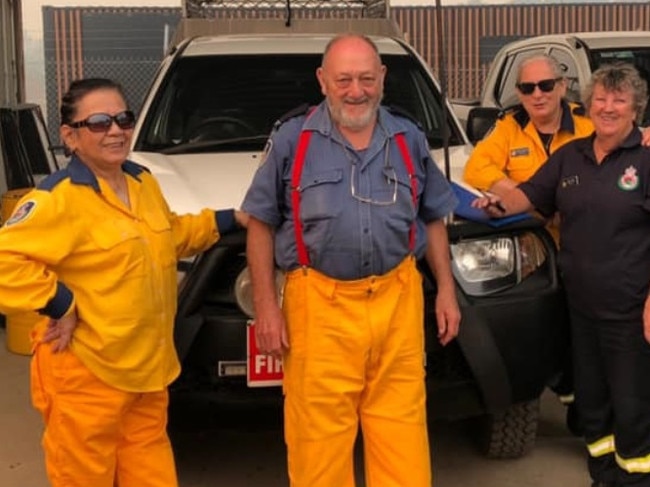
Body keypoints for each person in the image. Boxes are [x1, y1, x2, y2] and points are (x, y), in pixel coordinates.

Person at [0, 78, 246, 487]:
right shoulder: (59, 198)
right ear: (70, 136)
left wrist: (230, 219)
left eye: (122, 118)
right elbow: (5, 258)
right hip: (87, 374)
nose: (115, 130)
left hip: (147, 373)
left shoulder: (142, 182)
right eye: (97, 122)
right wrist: (59, 303)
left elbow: (170, 234)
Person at [242, 34, 461, 487]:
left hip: (398, 302)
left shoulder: (409, 137)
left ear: (382, 78)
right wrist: (266, 305)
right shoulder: (291, 140)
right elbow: (260, 223)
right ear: (323, 81)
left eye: (365, 78)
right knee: (318, 450)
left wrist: (446, 291)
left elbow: (434, 216)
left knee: (403, 442)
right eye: (344, 79)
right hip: (318, 306)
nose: (355, 90)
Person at [473, 62, 650, 487]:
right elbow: (529, 195)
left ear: (635, 109)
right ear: (589, 105)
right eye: (601, 99)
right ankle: (603, 474)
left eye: (619, 100)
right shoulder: (571, 156)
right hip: (581, 309)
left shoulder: (645, 161)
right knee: (591, 401)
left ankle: (636, 478)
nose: (608, 107)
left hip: (630, 312)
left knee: (632, 405)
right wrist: (494, 205)